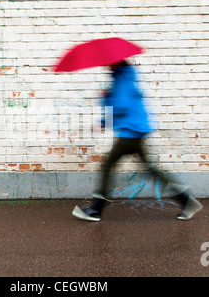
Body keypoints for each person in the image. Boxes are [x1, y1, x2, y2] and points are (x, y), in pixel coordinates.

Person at [72, 60, 203, 221]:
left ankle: (96, 209)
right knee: (151, 169)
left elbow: (121, 106)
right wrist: (108, 97)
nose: (105, 65)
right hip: (135, 129)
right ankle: (186, 200)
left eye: (107, 63)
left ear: (115, 63)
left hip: (130, 131)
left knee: (107, 165)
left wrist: (104, 112)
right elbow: (122, 103)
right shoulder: (124, 76)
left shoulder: (122, 78)